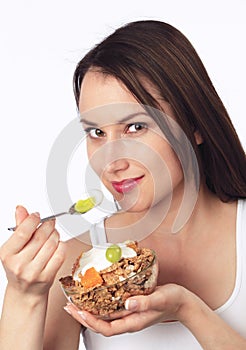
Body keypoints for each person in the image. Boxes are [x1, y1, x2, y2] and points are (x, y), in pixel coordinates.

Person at [0, 20, 246, 350]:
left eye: (135, 127)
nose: (111, 161)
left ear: (196, 125)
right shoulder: (76, 264)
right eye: (96, 133)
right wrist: (22, 295)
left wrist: (189, 310)